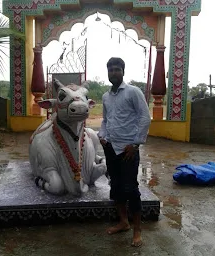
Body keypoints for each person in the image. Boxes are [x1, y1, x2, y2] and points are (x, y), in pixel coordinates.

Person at [98, 57, 151, 247]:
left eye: (117, 69)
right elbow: (105, 120)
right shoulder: (106, 97)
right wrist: (102, 136)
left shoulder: (133, 92)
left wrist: (136, 144)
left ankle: (137, 231)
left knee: (131, 189)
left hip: (128, 150)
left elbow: (145, 118)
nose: (113, 73)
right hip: (111, 148)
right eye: (110, 69)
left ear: (123, 71)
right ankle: (123, 222)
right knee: (116, 186)